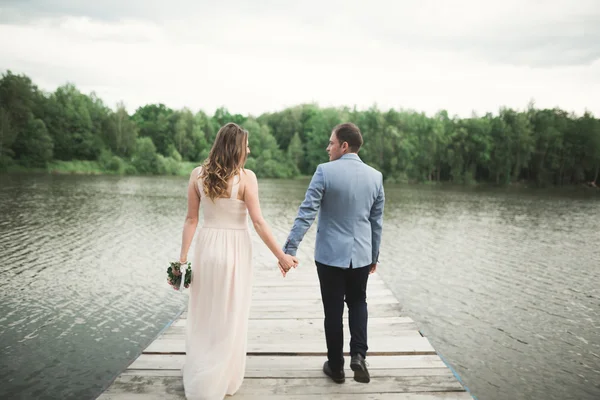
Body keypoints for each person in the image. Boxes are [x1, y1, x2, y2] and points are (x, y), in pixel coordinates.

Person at [178, 122, 298, 400]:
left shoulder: (197, 175)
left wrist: (182, 260)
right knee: (230, 313)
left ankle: (201, 373)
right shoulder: (247, 178)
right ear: (236, 148)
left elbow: (191, 220)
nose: (249, 149)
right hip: (234, 251)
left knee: (205, 312)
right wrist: (281, 257)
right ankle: (221, 379)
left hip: (207, 249)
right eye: (246, 145)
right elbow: (257, 221)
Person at [282, 122, 385, 384]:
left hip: (329, 257)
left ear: (344, 145)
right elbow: (376, 222)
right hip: (361, 255)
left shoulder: (324, 172)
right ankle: (359, 356)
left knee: (333, 311)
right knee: (359, 302)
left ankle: (337, 367)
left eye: (331, 143)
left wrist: (290, 248)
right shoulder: (376, 177)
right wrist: (374, 255)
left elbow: (307, 213)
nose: (328, 148)